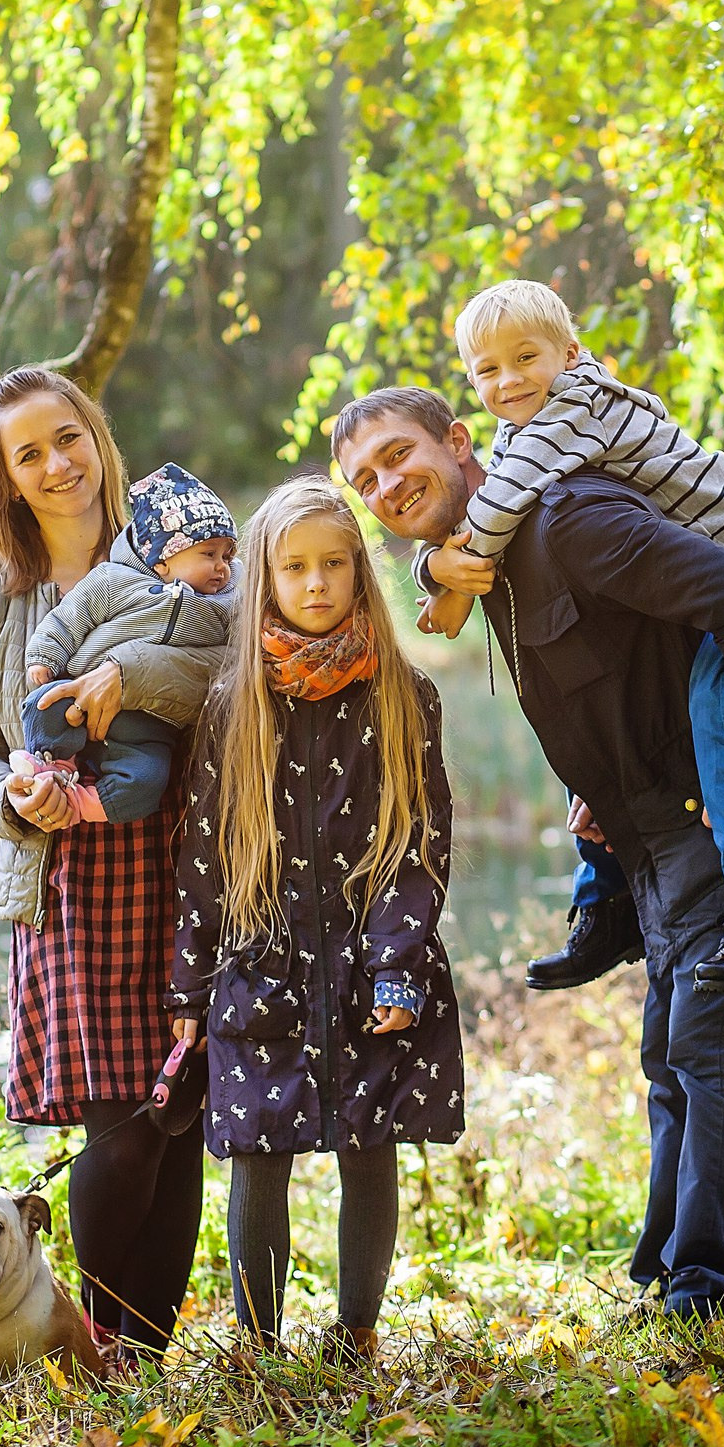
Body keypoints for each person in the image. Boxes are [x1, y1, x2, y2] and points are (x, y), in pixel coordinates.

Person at [332, 386, 724, 1324]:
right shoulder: (482, 564)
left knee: (716, 1055)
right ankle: (665, 1276)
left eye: (400, 455)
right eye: (366, 478)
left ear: (459, 441)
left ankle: (708, 1294)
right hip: (644, 837)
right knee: (669, 1056)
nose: (388, 483)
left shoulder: (570, 517)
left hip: (716, 825)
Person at [416, 281, 724, 994]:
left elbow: (502, 502)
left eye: (526, 358)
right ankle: (605, 904)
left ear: (570, 355)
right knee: (592, 708)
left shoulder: (571, 410)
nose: (509, 380)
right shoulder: (527, 427)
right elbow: (511, 488)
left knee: (721, 699)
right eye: (487, 370)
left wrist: (443, 577)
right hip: (716, 578)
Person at [0, 368, 218, 1368]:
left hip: (181, 862)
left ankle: (143, 1360)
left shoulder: (169, 558)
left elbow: (224, 672)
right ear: (5, 479)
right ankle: (103, 1361)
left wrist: (129, 674)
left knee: (176, 1115)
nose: (58, 464)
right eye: (29, 454)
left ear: (97, 439)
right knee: (120, 1127)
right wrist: (9, 799)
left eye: (69, 438)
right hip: (62, 881)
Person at [166, 477, 464, 1362]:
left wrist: (398, 965)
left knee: (370, 1143)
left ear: (359, 572)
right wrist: (188, 980)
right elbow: (202, 857)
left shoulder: (403, 695)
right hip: (260, 962)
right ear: (266, 576)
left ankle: (356, 1330)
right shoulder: (234, 703)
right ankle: (257, 1345)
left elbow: (420, 844)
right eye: (295, 567)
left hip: (376, 961)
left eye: (335, 563)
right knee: (258, 1149)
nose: (317, 582)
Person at [17, 462, 238, 824]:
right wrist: (44, 655)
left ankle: (83, 805)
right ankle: (47, 760)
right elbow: (69, 616)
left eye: (227, 556)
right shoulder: (113, 581)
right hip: (81, 695)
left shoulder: (226, 602)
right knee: (45, 704)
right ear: (163, 561)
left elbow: (237, 658)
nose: (222, 567)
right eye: (209, 554)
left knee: (149, 779)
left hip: (150, 725)